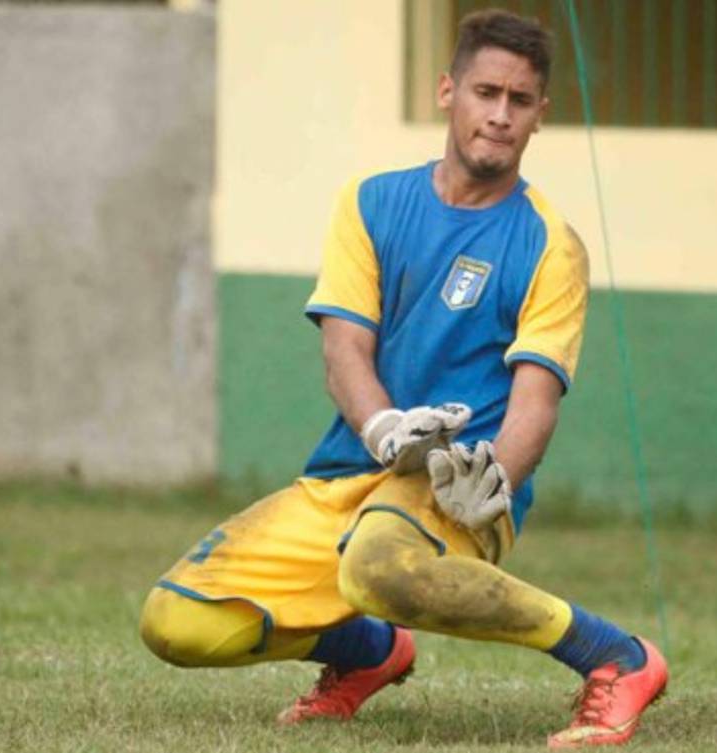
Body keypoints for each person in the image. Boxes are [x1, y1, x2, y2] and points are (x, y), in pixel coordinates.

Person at [139, 9, 667, 748]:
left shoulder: (550, 244)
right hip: (351, 472)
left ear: (540, 114)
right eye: (486, 92)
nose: (500, 114)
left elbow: (536, 401)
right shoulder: (371, 201)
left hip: (455, 485)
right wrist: (387, 430)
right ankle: (371, 652)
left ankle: (616, 654)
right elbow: (344, 352)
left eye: (520, 100)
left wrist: (496, 482)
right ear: (449, 91)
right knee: (176, 620)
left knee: (377, 565)